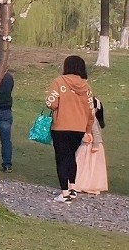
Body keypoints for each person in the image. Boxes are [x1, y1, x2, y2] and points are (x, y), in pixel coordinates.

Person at [45, 55, 96, 204]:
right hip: (79, 128)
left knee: (61, 158)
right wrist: (87, 130)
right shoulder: (86, 87)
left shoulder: (59, 82)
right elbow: (91, 111)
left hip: (61, 126)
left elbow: (51, 103)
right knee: (71, 156)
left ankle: (64, 193)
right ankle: (73, 188)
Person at [73, 97, 107, 195]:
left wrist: (95, 145)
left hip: (90, 145)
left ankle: (82, 184)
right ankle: (84, 184)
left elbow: (95, 132)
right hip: (87, 144)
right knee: (87, 166)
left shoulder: (90, 118)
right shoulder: (88, 117)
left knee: (85, 165)